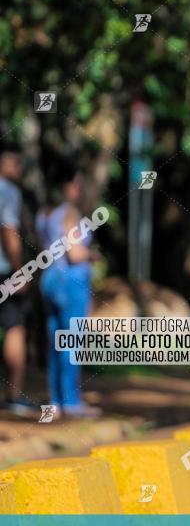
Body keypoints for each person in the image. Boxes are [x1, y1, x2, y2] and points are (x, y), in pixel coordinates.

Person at [36, 158, 102, 419]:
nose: (80, 189)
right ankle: (72, 402)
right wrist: (92, 256)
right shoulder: (70, 213)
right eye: (77, 184)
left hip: (49, 278)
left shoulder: (45, 213)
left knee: (55, 344)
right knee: (73, 342)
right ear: (67, 186)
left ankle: (55, 401)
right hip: (71, 282)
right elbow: (75, 254)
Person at [0, 144, 37, 415]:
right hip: (3, 270)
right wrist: (19, 270)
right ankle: (14, 396)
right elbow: (9, 231)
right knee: (14, 327)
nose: (19, 169)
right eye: (16, 163)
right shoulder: (8, 191)